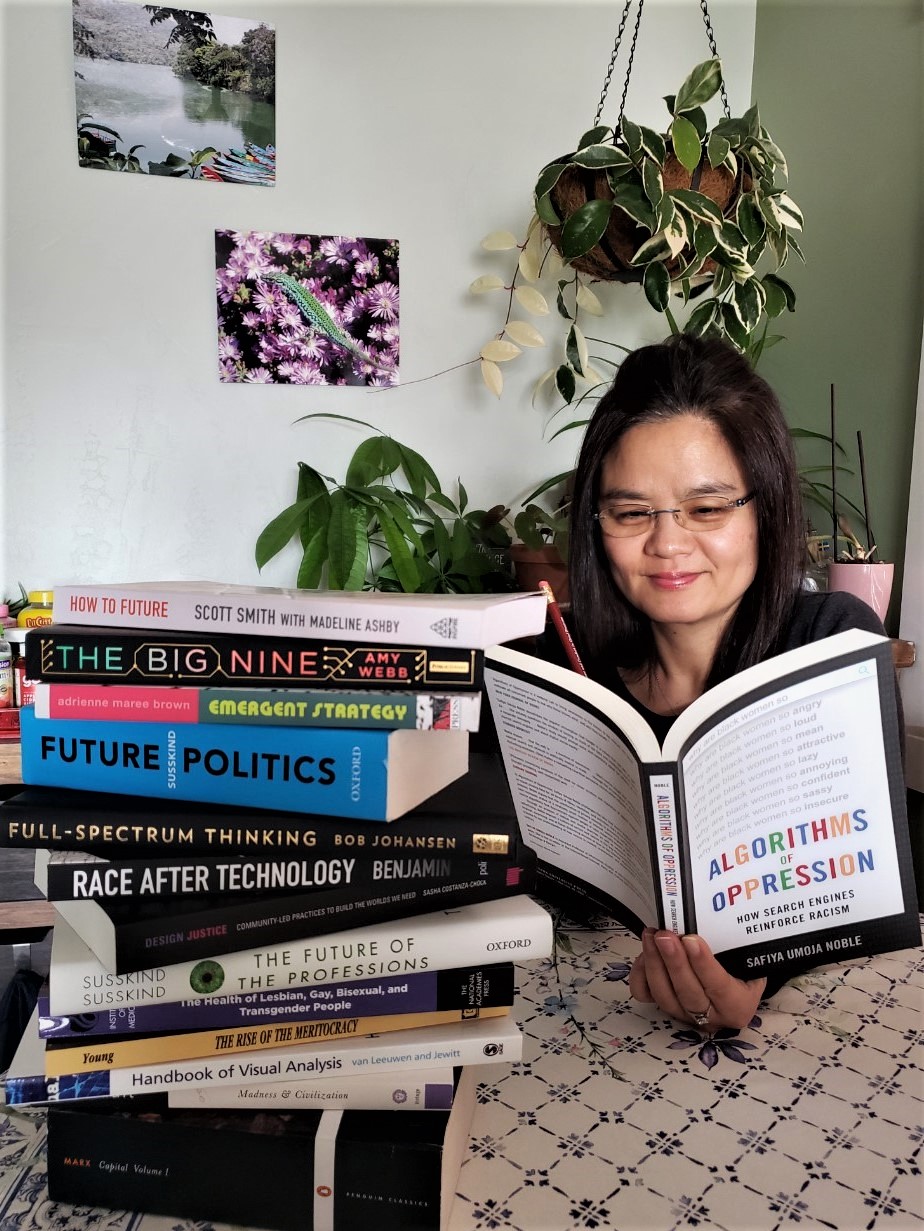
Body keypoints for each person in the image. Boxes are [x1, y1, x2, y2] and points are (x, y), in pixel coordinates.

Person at [564, 332, 898, 1032]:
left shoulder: (830, 643)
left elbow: (849, 891)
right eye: (631, 513)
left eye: (707, 508)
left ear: (765, 508)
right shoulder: (575, 672)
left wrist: (763, 975)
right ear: (598, 526)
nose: (667, 543)